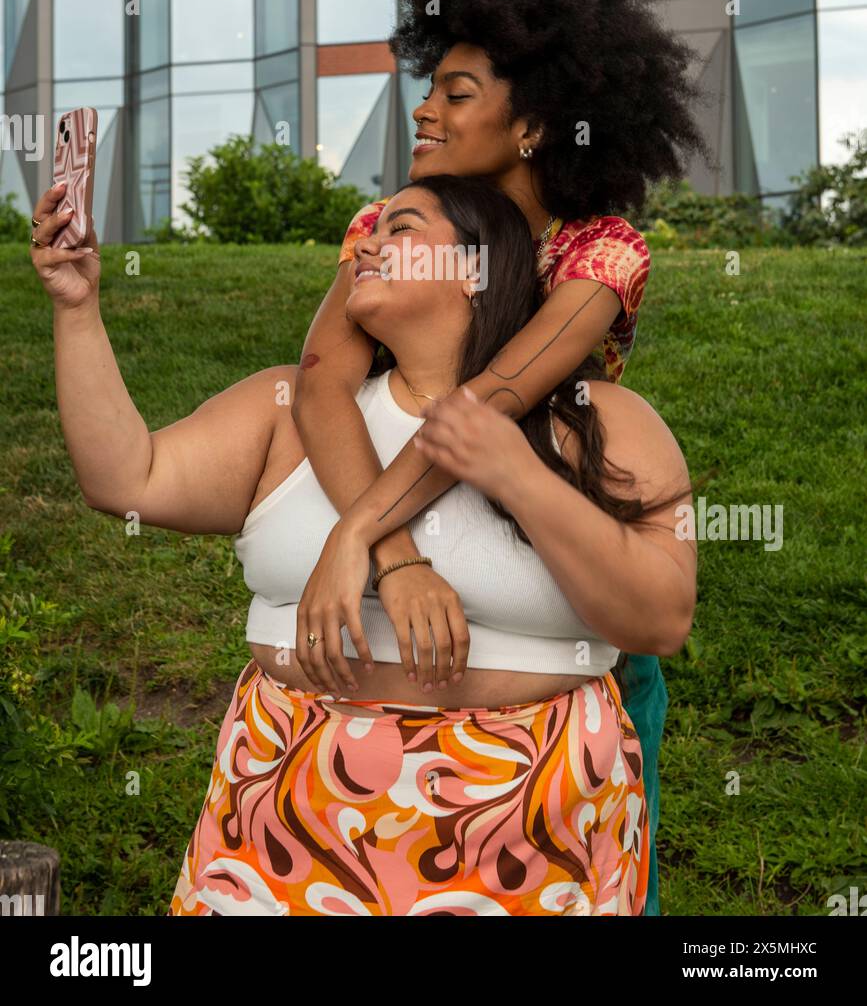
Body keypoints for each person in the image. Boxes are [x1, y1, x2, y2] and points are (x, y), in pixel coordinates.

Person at [29, 172, 695, 916]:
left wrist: (512, 469)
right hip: (284, 831)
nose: (368, 244)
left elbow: (660, 618)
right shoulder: (287, 410)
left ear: (475, 270)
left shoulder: (599, 420)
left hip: (528, 838)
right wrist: (77, 308)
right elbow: (126, 479)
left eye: (400, 229)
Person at [289, 0, 711, 915]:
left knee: (598, 874)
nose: (425, 108)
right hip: (396, 632)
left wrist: (353, 530)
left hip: (567, 610)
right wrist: (390, 555)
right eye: (430, 84)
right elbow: (316, 383)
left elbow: (496, 397)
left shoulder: (597, 252)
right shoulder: (379, 228)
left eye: (457, 91)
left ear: (530, 124)